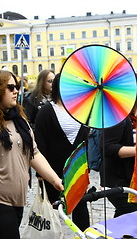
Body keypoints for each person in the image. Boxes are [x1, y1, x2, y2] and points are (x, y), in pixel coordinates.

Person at [0, 70, 64, 239]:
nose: (16, 90)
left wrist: (55, 180)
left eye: (16, 86)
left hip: (17, 199)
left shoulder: (18, 118)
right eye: (10, 87)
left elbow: (34, 153)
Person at [34, 74, 90, 231]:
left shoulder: (82, 110)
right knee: (51, 211)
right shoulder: (47, 111)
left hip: (77, 169)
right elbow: (40, 142)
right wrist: (41, 173)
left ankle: (83, 235)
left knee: (81, 207)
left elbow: (85, 140)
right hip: (52, 169)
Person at [100, 74, 137, 217]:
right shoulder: (119, 116)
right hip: (120, 181)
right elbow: (107, 148)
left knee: (124, 219)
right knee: (136, 217)